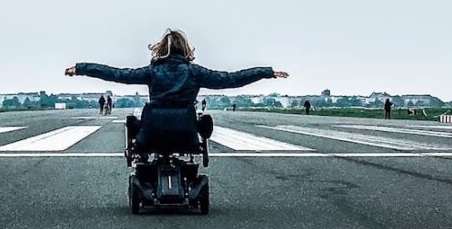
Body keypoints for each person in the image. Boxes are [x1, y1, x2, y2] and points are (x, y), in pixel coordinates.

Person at [66, 29, 288, 150]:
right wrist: (265, 72)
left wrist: (81, 68)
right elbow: (232, 79)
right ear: (186, 50)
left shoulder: (151, 72)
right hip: (186, 132)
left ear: (161, 49)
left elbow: (116, 73)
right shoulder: (195, 72)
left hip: (152, 131)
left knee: (134, 124)